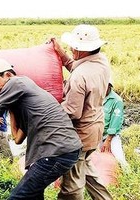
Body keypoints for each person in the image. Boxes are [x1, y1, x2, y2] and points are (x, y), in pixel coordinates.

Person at [0, 58, 83, 199]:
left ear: (7, 75)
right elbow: (17, 138)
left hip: (56, 151)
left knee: (17, 197)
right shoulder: (26, 100)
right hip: (66, 150)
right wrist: (10, 107)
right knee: (34, 195)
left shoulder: (16, 82)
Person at [53, 24, 113, 200]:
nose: (71, 49)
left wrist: (48, 110)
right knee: (87, 168)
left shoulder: (79, 77)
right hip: (96, 129)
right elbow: (80, 68)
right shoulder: (101, 62)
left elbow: (72, 111)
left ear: (81, 49)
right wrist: (63, 56)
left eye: (73, 47)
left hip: (80, 135)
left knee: (72, 184)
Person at [101, 81, 130, 171]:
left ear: (109, 86)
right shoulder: (96, 96)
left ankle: (128, 176)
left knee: (119, 158)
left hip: (110, 136)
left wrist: (108, 140)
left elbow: (116, 122)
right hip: (96, 135)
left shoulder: (117, 100)